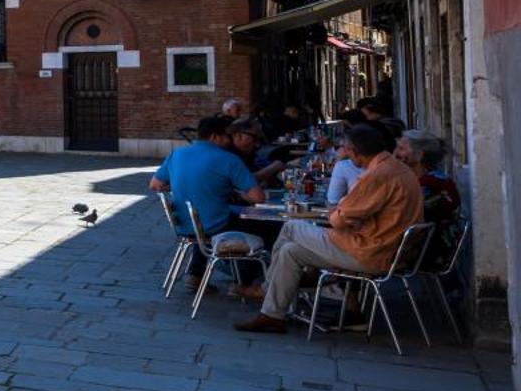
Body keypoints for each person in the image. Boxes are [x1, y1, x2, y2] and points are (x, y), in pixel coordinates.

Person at [236, 123, 423, 333]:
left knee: (291, 227)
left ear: (353, 151)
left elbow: (338, 219)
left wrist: (342, 212)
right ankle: (272, 315)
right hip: (383, 248)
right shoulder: (398, 169)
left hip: (369, 251)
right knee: (290, 252)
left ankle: (265, 289)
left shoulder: (378, 175)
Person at [151, 116, 266, 281]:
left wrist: (180, 184)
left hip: (185, 224)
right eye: (227, 136)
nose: (230, 141)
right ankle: (245, 282)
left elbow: (155, 185)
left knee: (211, 212)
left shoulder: (177, 154)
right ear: (215, 137)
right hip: (215, 225)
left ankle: (196, 274)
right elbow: (258, 197)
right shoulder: (228, 159)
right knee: (265, 227)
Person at [396, 130, 460, 226]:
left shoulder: (429, 183)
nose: (396, 153)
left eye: (401, 149)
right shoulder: (433, 178)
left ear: (419, 155)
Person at [224, 121, 284, 186]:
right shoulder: (229, 156)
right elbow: (245, 179)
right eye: (253, 136)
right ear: (237, 135)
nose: (256, 143)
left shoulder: (247, 152)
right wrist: (274, 167)